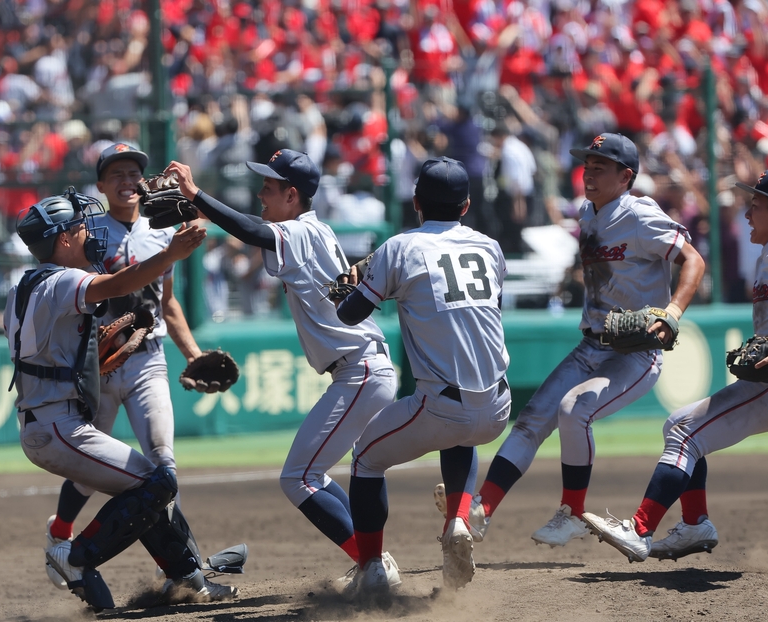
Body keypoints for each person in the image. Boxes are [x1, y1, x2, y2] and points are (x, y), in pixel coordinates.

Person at [442, 133, 705, 549]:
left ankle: (572, 512)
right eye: (588, 165)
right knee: (531, 420)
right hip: (592, 345)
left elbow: (694, 259)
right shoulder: (588, 212)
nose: (590, 173)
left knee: (573, 410)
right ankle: (481, 511)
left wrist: (672, 313)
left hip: (635, 355)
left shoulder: (640, 215)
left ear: (626, 176)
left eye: (601, 167)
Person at [164, 150, 401, 583]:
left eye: (269, 188)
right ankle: (373, 560)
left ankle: (372, 566)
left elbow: (253, 231)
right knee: (349, 470)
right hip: (366, 367)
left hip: (360, 370)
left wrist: (197, 195)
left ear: (292, 195)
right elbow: (255, 232)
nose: (260, 194)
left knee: (299, 477)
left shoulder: (302, 232)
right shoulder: (314, 230)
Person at [43, 143, 240, 603]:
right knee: (90, 473)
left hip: (147, 359)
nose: (128, 180)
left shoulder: (160, 232)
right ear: (101, 186)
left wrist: (191, 354)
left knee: (162, 467)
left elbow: (167, 304)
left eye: (134, 172)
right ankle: (60, 535)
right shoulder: (87, 234)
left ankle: (179, 571)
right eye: (117, 174)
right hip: (96, 366)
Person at [4, 187, 207, 611]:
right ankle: (76, 559)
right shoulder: (62, 279)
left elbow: (48, 356)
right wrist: (170, 255)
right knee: (159, 482)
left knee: (147, 484)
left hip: (47, 422)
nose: (88, 231)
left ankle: (186, 577)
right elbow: (119, 283)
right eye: (80, 227)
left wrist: (88, 364)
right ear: (63, 241)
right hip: (60, 428)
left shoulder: (22, 286)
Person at [582, 169, 768, 562]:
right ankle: (694, 525)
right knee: (678, 424)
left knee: (685, 434)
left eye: (756, 205)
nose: (747, 212)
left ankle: (640, 529)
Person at [335, 156, 511, 596]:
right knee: (460, 435)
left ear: (415, 201)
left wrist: (352, 287)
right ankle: (457, 518)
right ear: (467, 206)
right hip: (499, 407)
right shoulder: (490, 246)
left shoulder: (400, 247)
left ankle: (371, 567)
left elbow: (350, 314)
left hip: (443, 405)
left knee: (366, 459)